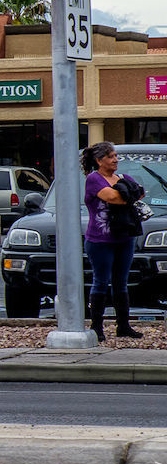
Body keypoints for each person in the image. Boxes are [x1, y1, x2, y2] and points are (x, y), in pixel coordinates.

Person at [81, 141, 144, 341]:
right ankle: (97, 327)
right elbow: (113, 197)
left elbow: (140, 191)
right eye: (110, 156)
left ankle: (123, 326)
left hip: (124, 238)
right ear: (99, 160)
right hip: (100, 240)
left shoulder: (122, 177)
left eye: (116, 156)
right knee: (100, 281)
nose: (115, 159)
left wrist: (128, 192)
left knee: (121, 282)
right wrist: (128, 193)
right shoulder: (94, 179)